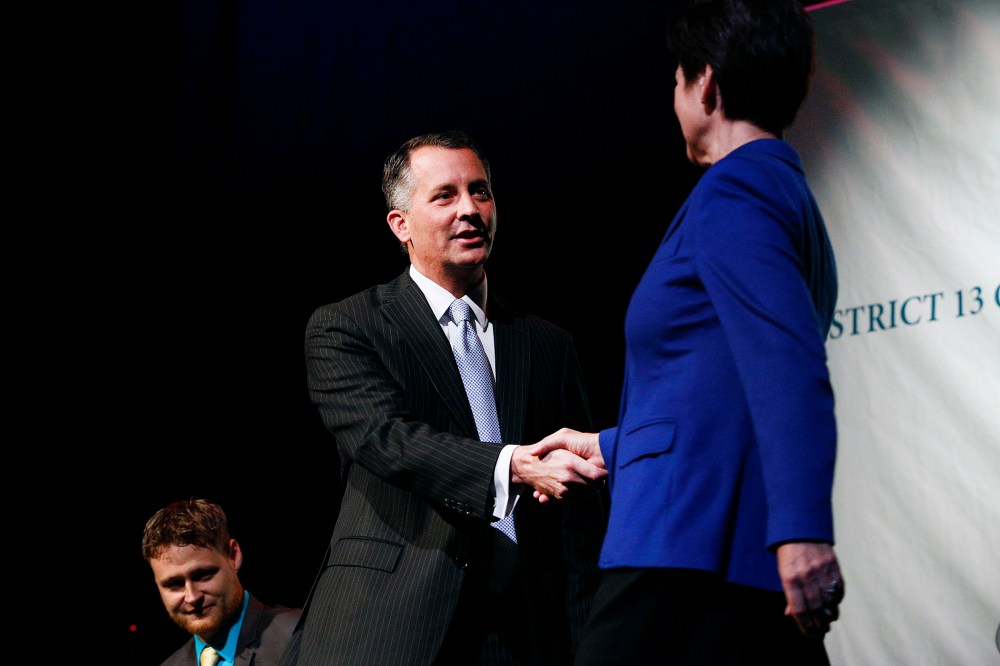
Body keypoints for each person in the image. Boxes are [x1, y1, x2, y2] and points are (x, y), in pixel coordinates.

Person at [536, 1, 846, 663]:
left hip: (685, 544)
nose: (674, 96)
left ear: (706, 84)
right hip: (717, 548)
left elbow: (786, 366)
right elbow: (717, 385)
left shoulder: (738, 191)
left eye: (677, 80)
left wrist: (803, 530)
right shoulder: (779, 190)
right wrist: (611, 446)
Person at [281, 129, 607, 666]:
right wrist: (511, 466)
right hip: (389, 623)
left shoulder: (547, 343)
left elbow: (577, 523)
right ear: (401, 224)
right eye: (444, 196)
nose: (470, 210)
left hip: (524, 631)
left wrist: (586, 644)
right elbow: (385, 439)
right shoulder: (349, 326)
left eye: (480, 191)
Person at [142, 498, 302, 666]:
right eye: (174, 584)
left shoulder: (300, 635)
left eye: (202, 575)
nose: (192, 597)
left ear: (233, 555)